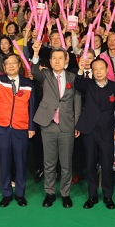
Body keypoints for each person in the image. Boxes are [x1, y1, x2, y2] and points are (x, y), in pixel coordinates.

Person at [30, 43, 82, 209]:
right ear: (50, 61)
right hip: (48, 125)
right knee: (49, 163)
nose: (58, 61)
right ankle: (50, 193)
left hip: (67, 125)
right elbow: (33, 70)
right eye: (54, 58)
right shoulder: (45, 75)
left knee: (66, 164)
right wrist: (36, 52)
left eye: (61, 58)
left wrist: (77, 125)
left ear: (66, 60)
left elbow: (77, 102)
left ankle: (65, 194)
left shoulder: (73, 78)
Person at [0, 52, 36, 207]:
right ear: (4, 67)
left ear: (19, 66)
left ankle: (20, 194)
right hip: (3, 128)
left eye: (14, 63)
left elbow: (32, 107)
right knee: (4, 163)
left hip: (21, 128)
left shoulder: (28, 83)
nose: (11, 66)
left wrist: (31, 127)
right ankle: (6, 194)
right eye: (8, 64)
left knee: (21, 162)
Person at [74, 57, 115, 210]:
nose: (99, 71)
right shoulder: (88, 85)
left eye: (101, 68)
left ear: (107, 70)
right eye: (95, 69)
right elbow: (77, 83)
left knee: (107, 164)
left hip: (107, 131)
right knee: (90, 164)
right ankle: (92, 195)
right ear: (92, 71)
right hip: (88, 130)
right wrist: (81, 69)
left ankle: (108, 196)